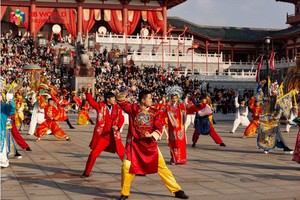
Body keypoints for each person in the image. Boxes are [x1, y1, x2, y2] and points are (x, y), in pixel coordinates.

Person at [116, 90, 189, 200]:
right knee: (126, 166)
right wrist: (129, 90)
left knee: (162, 168)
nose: (151, 100)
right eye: (149, 98)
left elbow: (159, 127)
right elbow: (120, 100)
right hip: (134, 145)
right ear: (143, 100)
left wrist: (151, 135)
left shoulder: (155, 112)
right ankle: (124, 193)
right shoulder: (133, 109)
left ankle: (176, 190)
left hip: (150, 145)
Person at [81, 88, 125, 178]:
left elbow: (122, 118)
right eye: (112, 98)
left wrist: (118, 127)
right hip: (103, 136)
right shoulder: (100, 106)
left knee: (122, 154)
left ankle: (134, 170)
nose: (114, 100)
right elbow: (91, 102)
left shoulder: (117, 107)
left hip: (114, 136)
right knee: (93, 154)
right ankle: (86, 172)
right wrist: (88, 92)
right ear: (108, 99)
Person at [165, 86, 205, 165]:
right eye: (173, 98)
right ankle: (174, 159)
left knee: (180, 143)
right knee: (173, 143)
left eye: (176, 98)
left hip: (180, 127)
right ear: (170, 98)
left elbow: (190, 108)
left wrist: (199, 105)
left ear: (178, 98)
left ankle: (181, 159)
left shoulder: (181, 106)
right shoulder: (168, 107)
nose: (174, 99)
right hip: (172, 128)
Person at [0, 86, 16, 168]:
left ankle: (2, 161)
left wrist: (10, 100)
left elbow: (12, 109)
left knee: (1, 147)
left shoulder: (3, 106)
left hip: (0, 130)